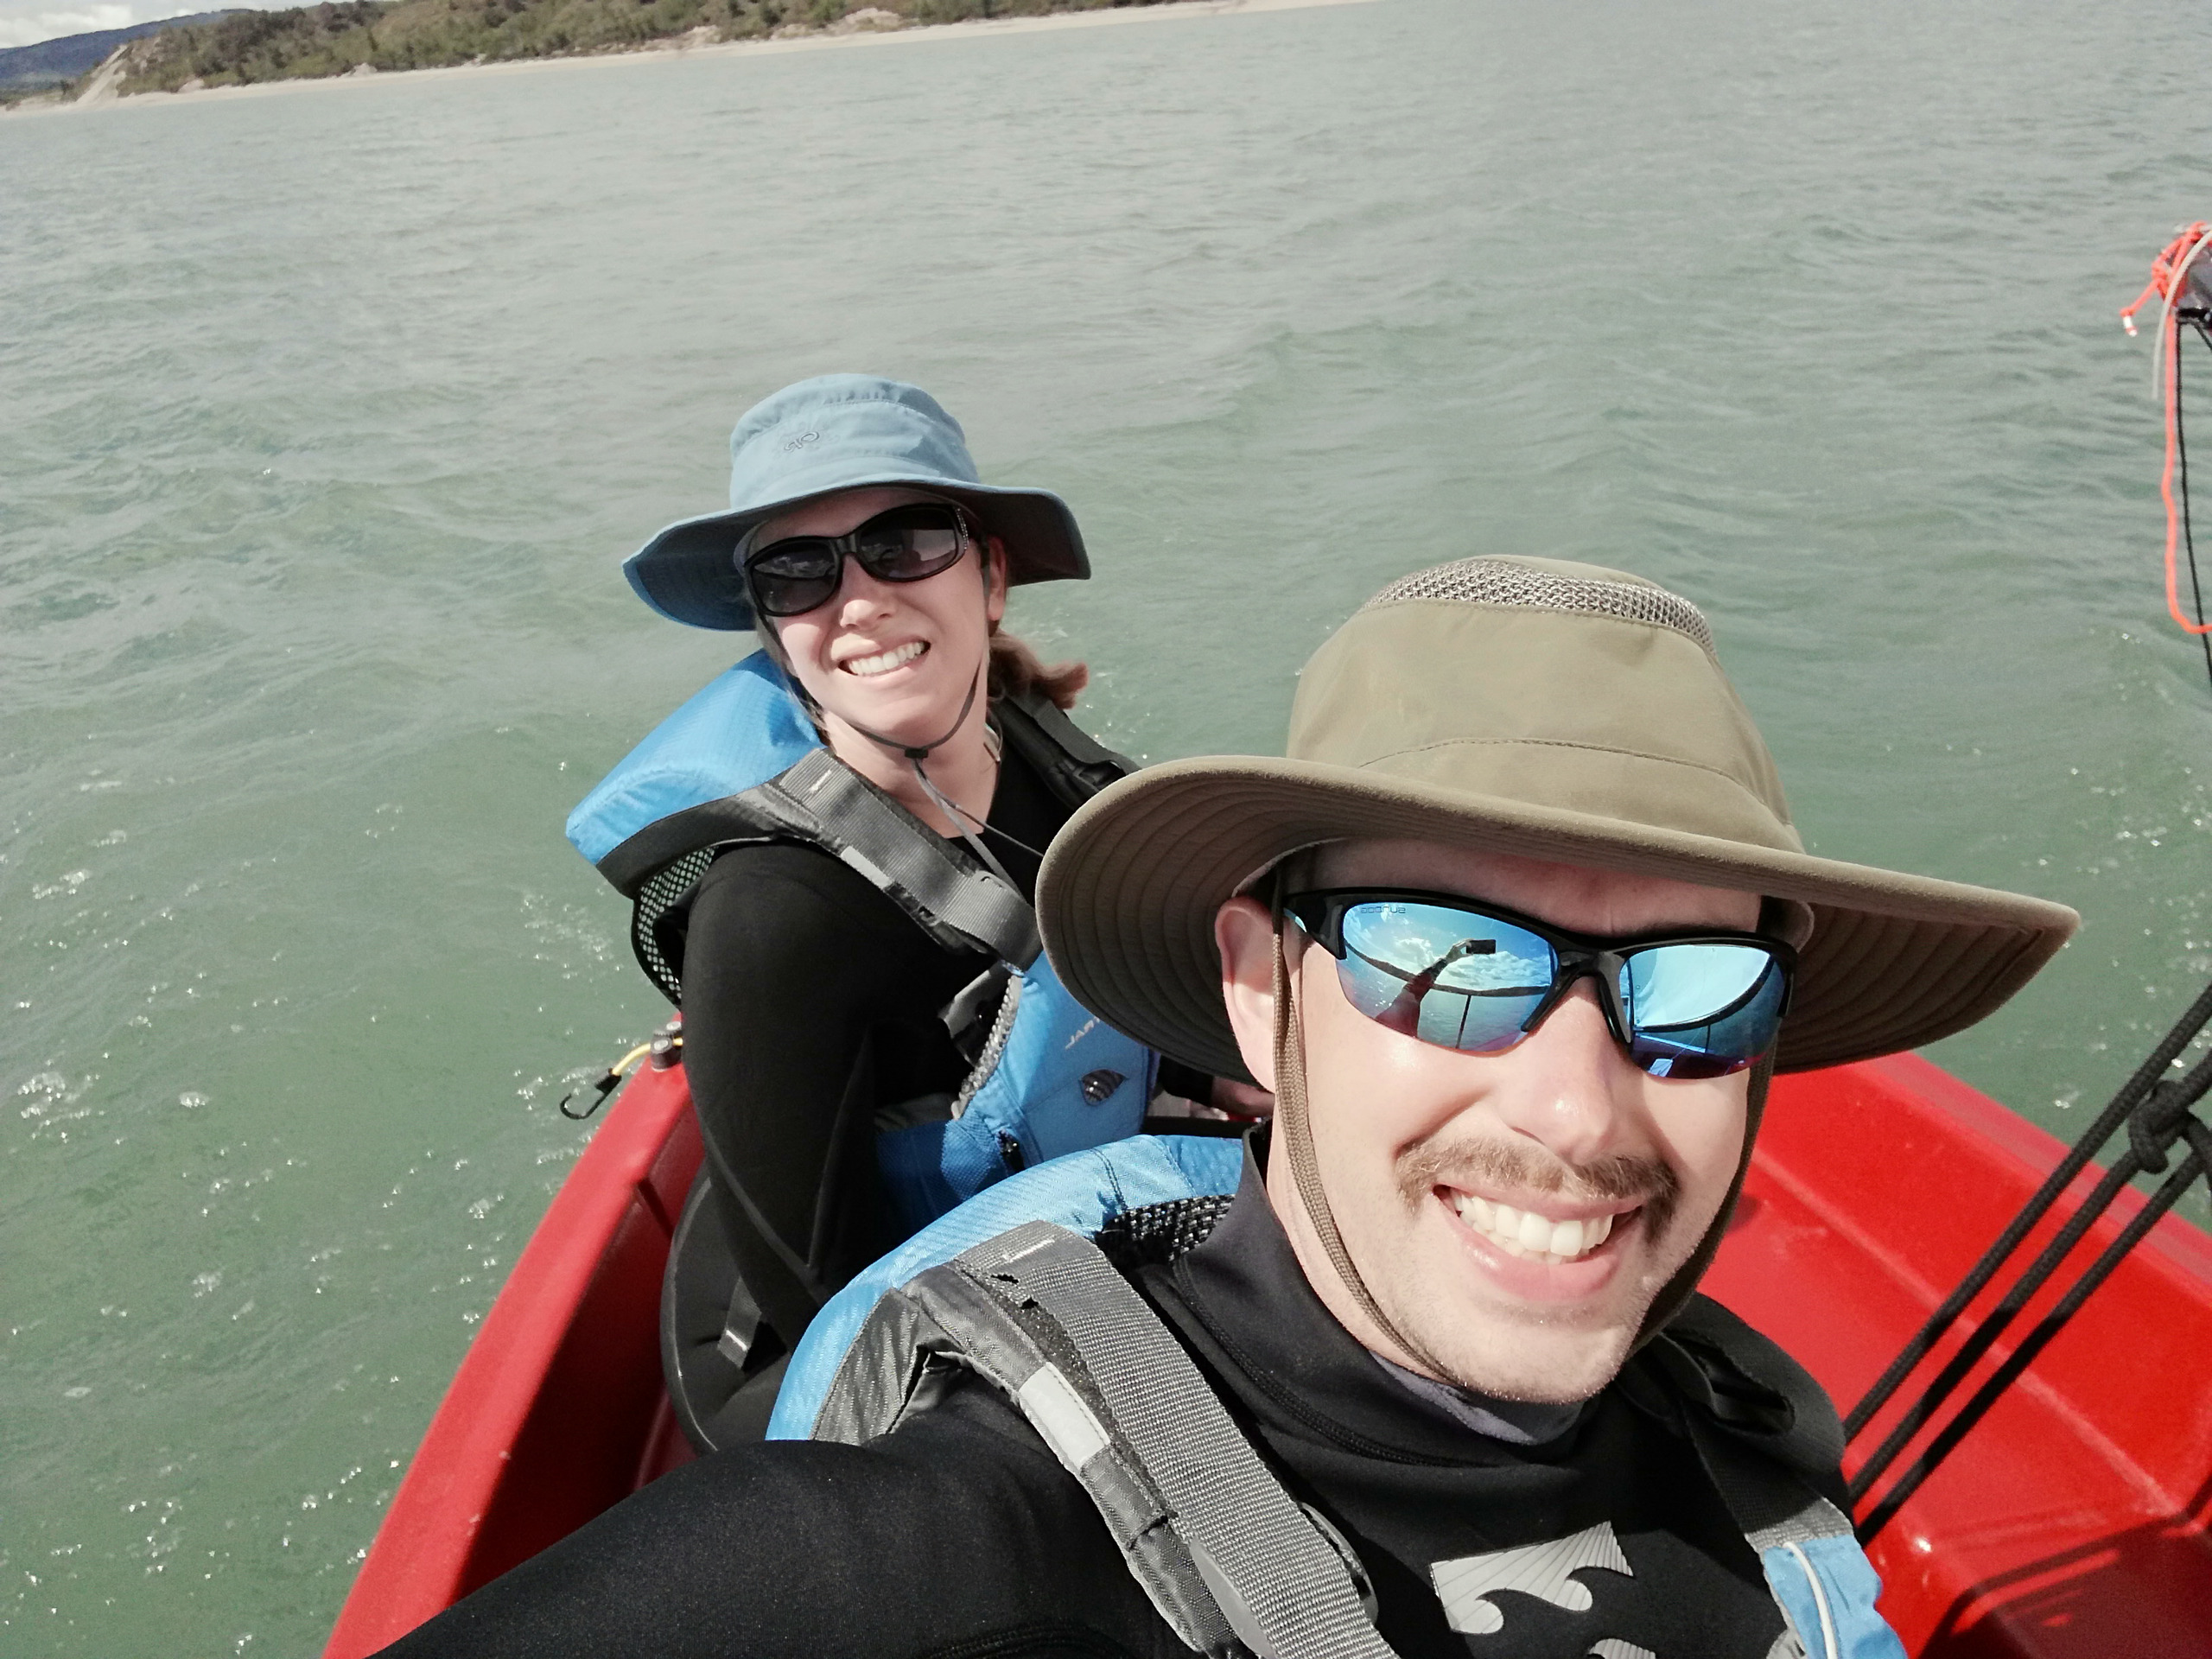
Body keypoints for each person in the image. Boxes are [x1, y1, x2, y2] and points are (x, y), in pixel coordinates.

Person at [398, 555, 2076, 1658]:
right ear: (1261, 991)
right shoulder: (963, 1548)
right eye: (1443, 959)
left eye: (1695, 987)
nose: (1579, 1114)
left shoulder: (1740, 1421)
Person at [564, 375, 1228, 1449]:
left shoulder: (1056, 772)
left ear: (990, 576)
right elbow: (829, 1315)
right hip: (846, 1360)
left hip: (1044, 1211)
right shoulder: (772, 922)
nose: (861, 600)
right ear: (772, 627)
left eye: (906, 543)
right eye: (797, 570)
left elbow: (1134, 990)